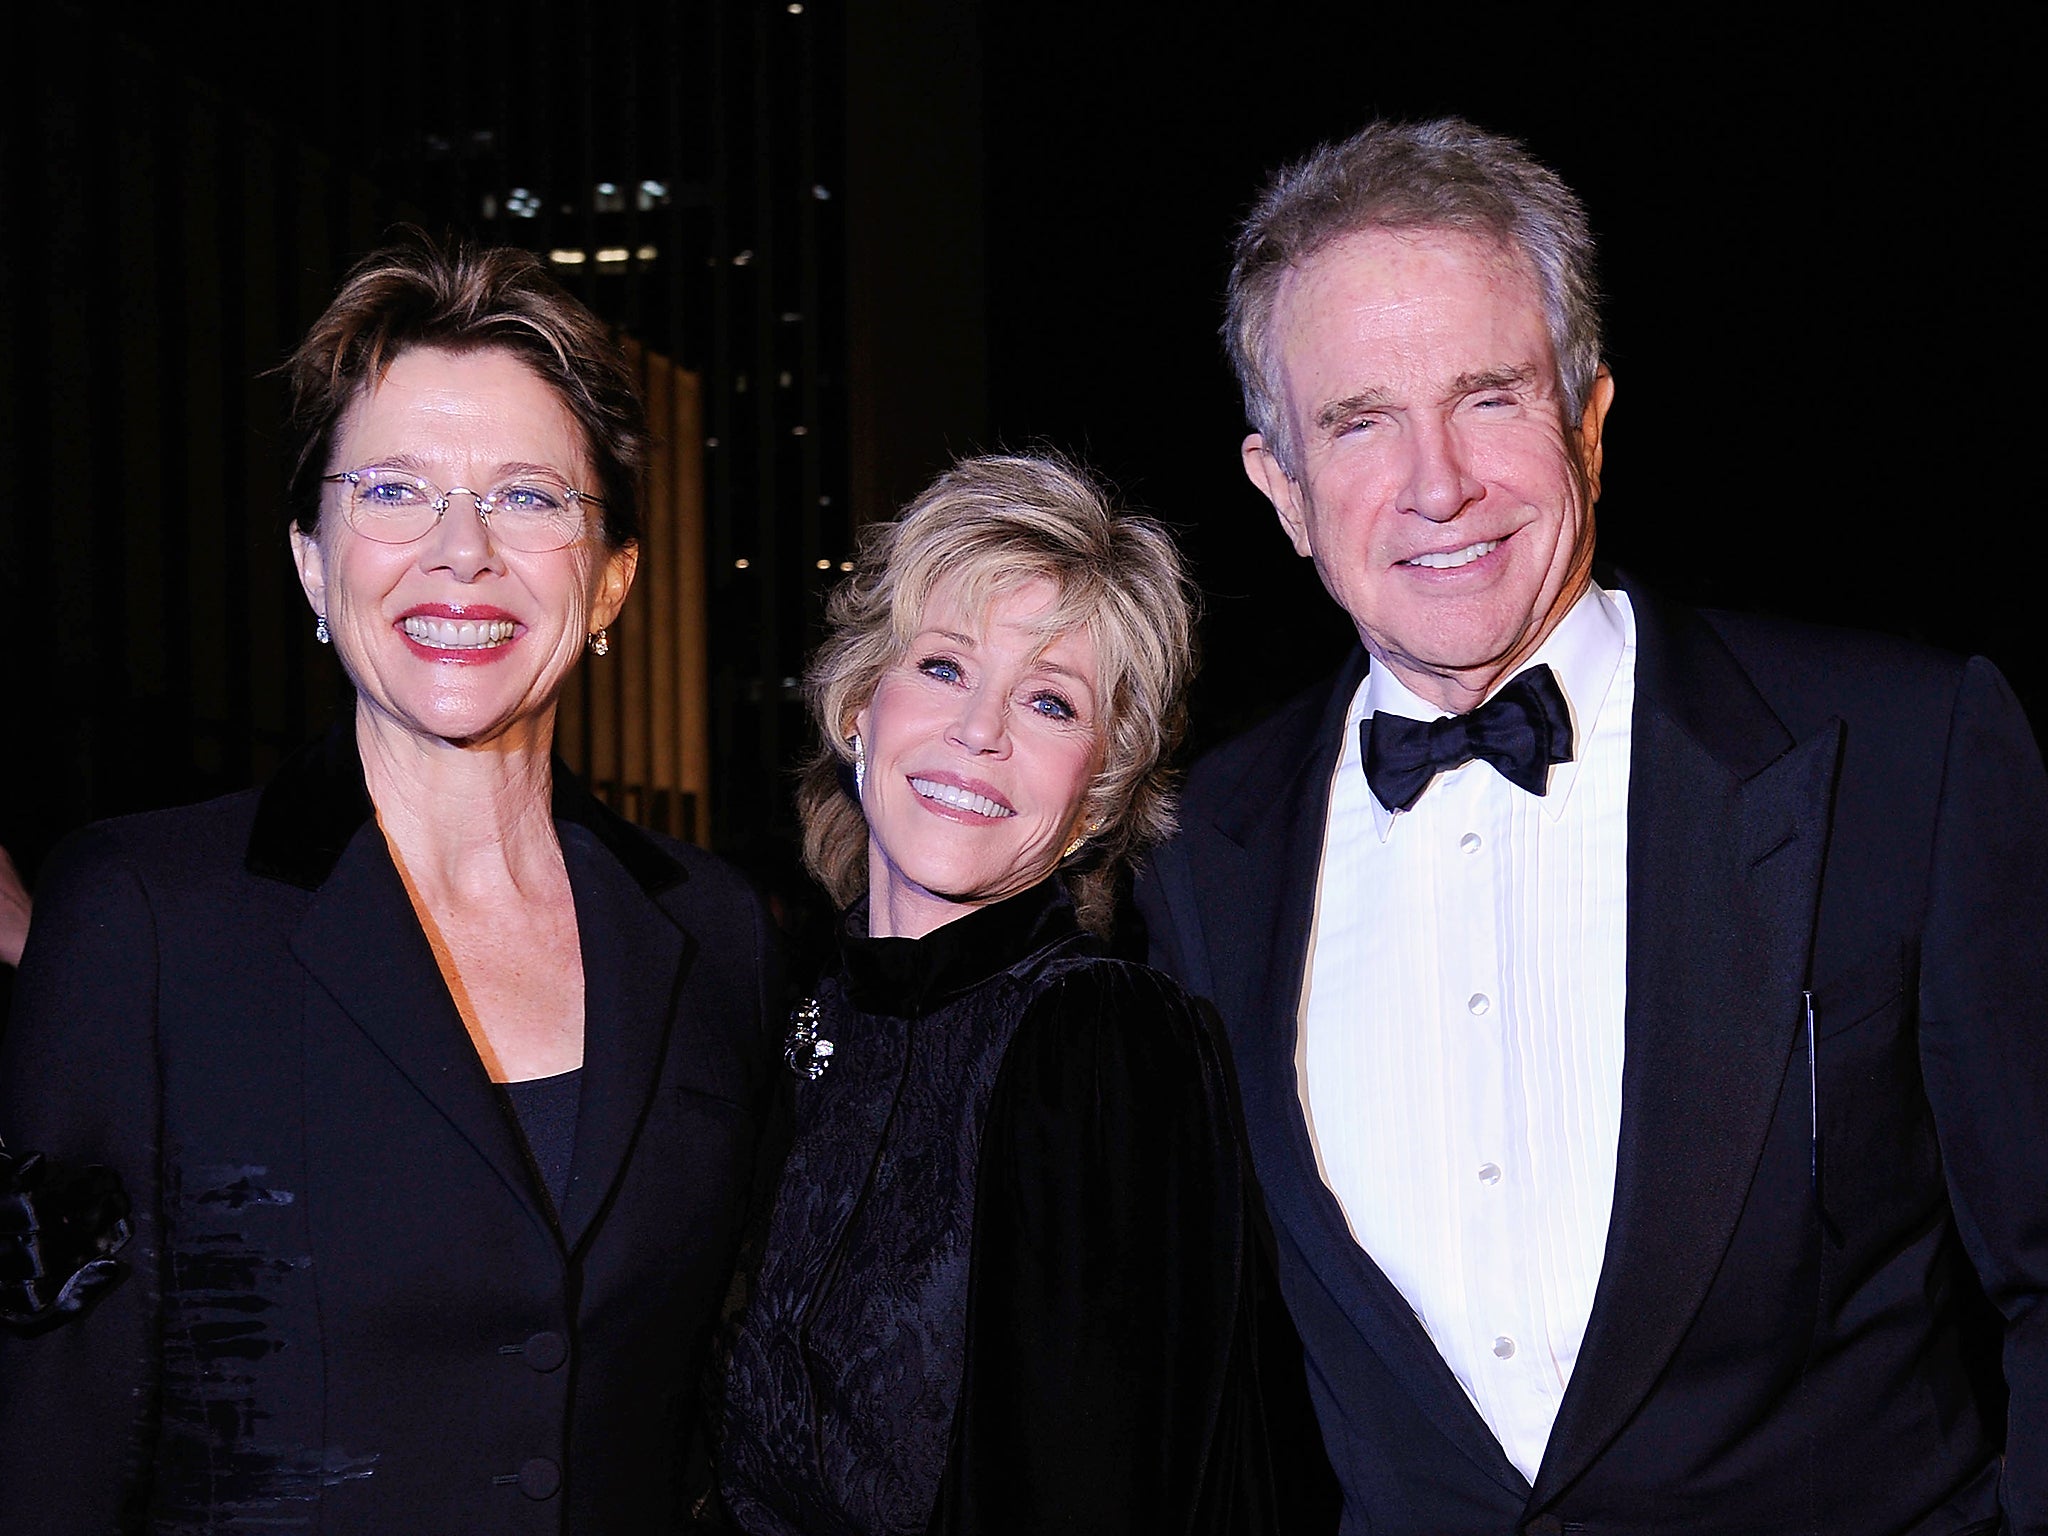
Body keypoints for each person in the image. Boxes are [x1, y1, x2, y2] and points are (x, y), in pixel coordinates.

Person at [1135, 117, 2048, 1533]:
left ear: (1591, 422)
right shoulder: (1199, 855)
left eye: (1489, 397)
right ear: (1283, 489)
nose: (1437, 484)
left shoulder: (1902, 754)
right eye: (1361, 420)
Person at [0, 235, 782, 1531]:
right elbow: (51, 1445)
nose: (461, 551)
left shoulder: (717, 936)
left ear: (612, 583)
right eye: (396, 491)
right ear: (314, 561)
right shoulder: (143, 919)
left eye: (529, 498)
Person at [717, 452, 1332, 1536]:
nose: (980, 731)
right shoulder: (787, 1019)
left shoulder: (1100, 1044)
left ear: (1096, 794)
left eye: (1048, 702)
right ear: (861, 704)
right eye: (945, 668)